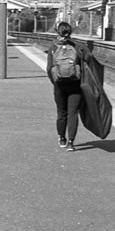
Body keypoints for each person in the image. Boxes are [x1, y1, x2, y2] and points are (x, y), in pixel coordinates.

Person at [46, 20, 90, 152]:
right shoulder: (78, 46)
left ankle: (62, 139)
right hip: (75, 85)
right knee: (73, 113)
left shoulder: (53, 47)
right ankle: (71, 142)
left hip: (59, 85)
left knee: (61, 113)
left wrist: (55, 81)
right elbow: (89, 59)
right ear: (70, 32)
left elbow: (49, 69)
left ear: (58, 32)